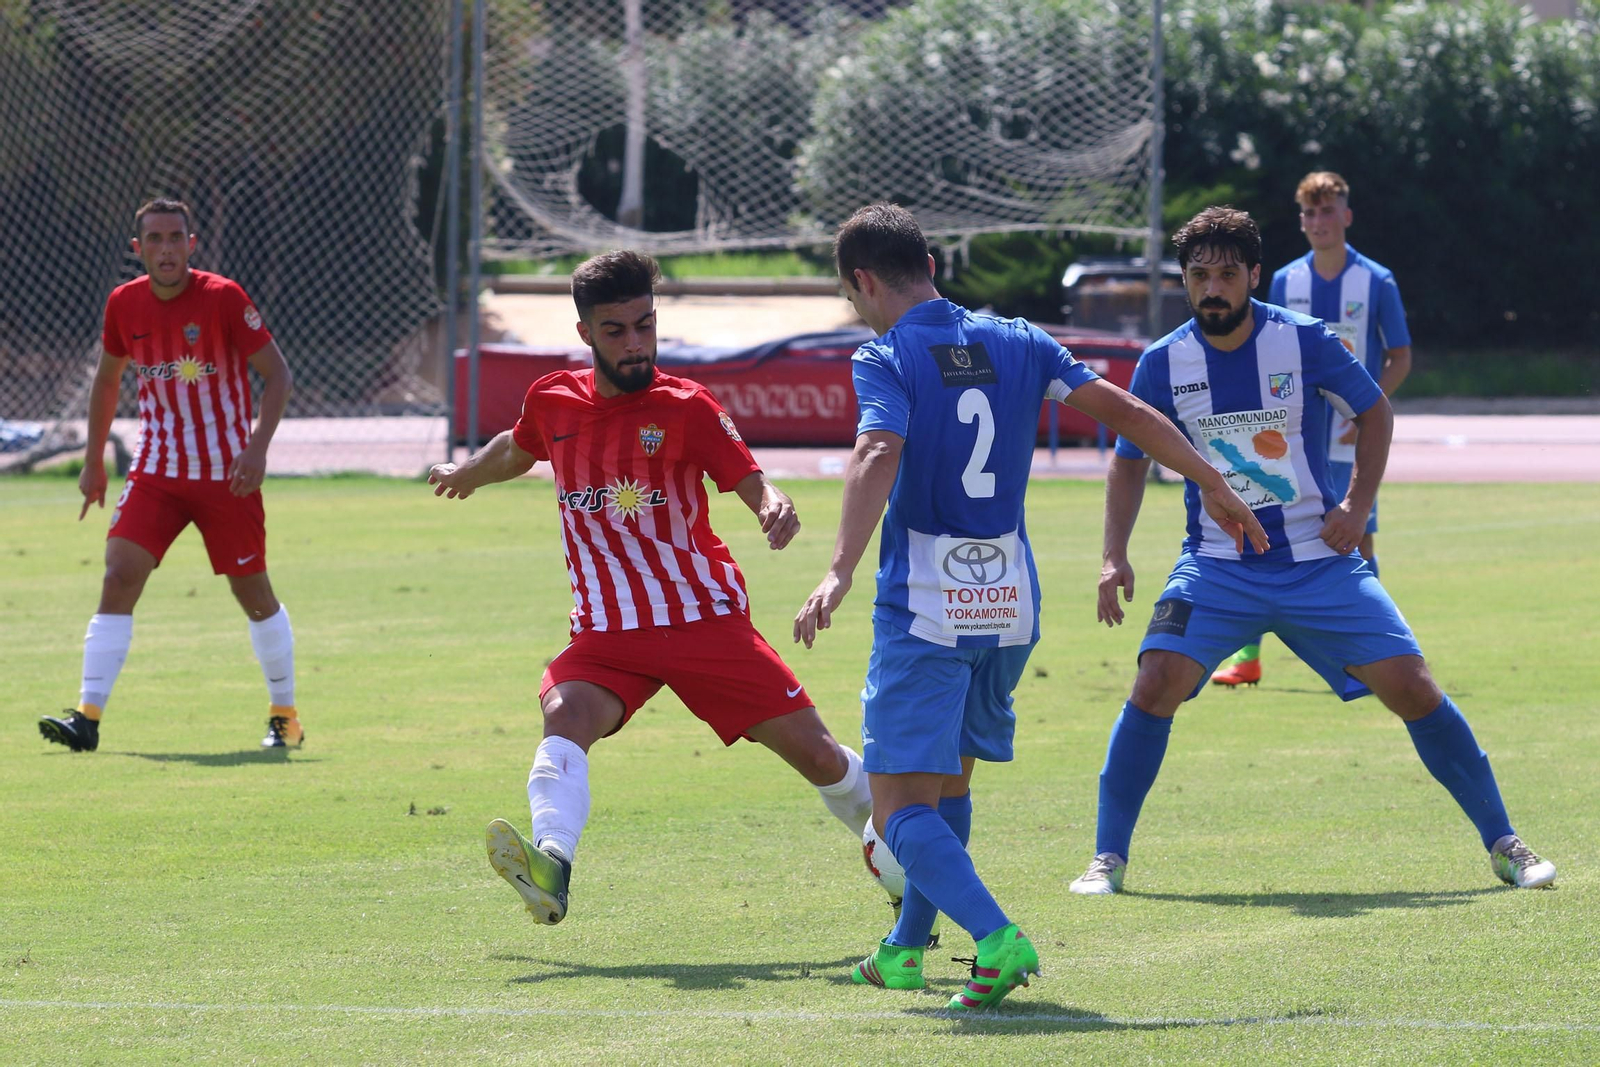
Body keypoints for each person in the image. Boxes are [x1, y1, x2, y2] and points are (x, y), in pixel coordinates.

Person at [792, 204, 1266, 1011]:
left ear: (864, 282)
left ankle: (997, 939)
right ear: (932, 263)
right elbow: (1127, 412)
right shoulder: (1018, 338)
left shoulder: (887, 353)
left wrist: (838, 567)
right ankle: (906, 947)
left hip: (927, 601)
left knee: (901, 807)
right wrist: (1212, 481)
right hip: (1010, 599)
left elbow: (878, 448)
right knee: (949, 787)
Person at [1067, 206, 1554, 896]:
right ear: (1184, 280)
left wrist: (1355, 508)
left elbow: (1375, 412)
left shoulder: (1303, 340)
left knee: (1414, 686)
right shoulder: (1162, 361)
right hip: (1215, 568)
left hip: (1319, 562)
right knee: (1154, 683)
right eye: (1199, 275)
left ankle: (1506, 844)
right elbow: (1127, 460)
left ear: (1254, 275)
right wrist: (1114, 555)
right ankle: (1106, 859)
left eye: (1227, 274)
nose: (1213, 288)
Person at [427, 250, 875, 927]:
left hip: (702, 622)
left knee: (817, 755)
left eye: (645, 325)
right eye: (616, 331)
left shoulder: (687, 407)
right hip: (608, 633)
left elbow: (749, 476)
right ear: (585, 335)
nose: (635, 343)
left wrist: (771, 503)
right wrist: (468, 471)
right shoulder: (552, 400)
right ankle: (550, 864)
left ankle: (911, 849)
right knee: (565, 715)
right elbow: (517, 448)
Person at [39, 198, 299, 753]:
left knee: (253, 594)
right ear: (138, 250)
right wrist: (91, 460)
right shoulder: (123, 304)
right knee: (118, 572)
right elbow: (107, 382)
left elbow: (277, 375)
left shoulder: (224, 298)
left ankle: (284, 714)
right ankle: (87, 717)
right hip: (156, 469)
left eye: (175, 238)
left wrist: (256, 449)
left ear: (191, 244)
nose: (165, 249)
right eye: (154, 239)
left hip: (227, 475)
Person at [1212, 172, 1412, 687]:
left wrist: (1366, 406)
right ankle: (1247, 658)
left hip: (1346, 438)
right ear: (1301, 220)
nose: (1318, 222)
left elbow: (1400, 356)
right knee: (1260, 532)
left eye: (1328, 211)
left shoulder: (1376, 282)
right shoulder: (1285, 280)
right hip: (1286, 437)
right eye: (1309, 213)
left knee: (1356, 537)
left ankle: (1373, 654)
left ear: (1346, 216)